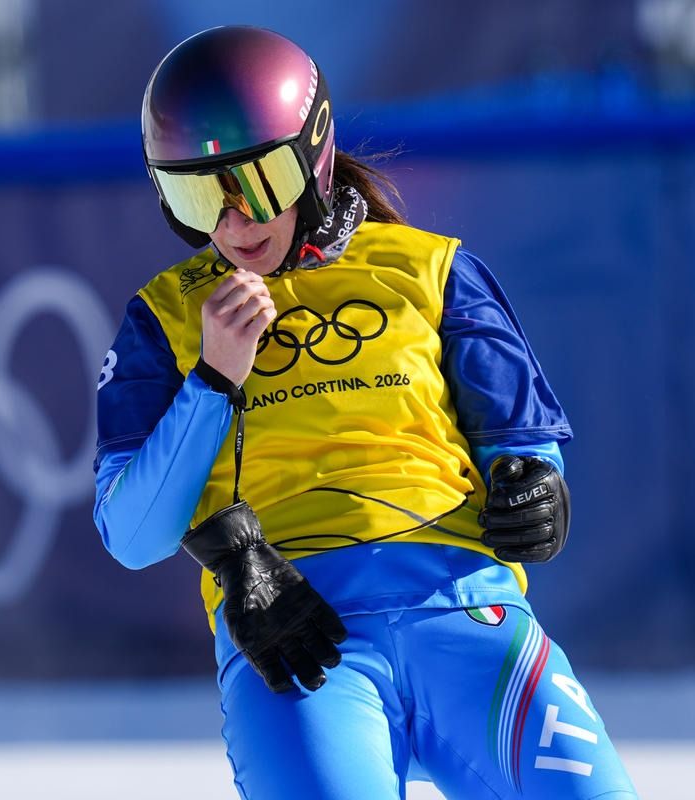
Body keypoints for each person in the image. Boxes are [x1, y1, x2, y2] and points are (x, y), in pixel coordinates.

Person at [93, 25, 638, 800]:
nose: (233, 225)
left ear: (313, 154)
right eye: (197, 194)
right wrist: (213, 379)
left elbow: (520, 445)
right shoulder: (164, 320)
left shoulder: (432, 269)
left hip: (468, 614)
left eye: (256, 186)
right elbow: (132, 533)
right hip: (297, 640)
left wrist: (536, 486)